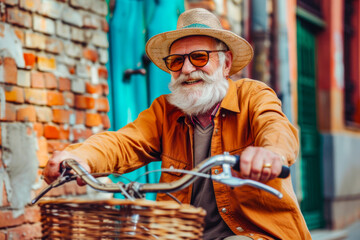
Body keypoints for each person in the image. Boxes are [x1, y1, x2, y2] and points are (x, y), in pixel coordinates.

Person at [43, 8, 311, 240]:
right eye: (177, 61)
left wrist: (269, 153)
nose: (186, 69)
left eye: (199, 57)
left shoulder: (252, 95)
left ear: (225, 63)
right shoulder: (165, 111)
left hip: (254, 233)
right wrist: (79, 157)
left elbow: (276, 127)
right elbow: (123, 142)